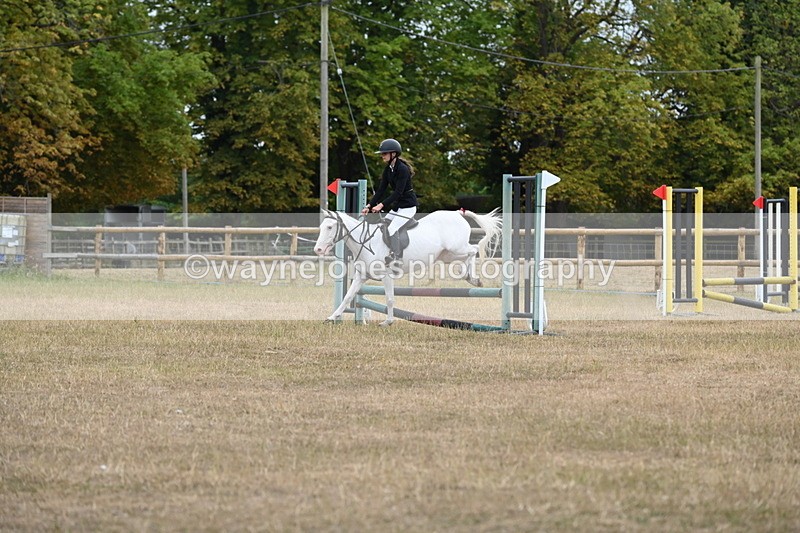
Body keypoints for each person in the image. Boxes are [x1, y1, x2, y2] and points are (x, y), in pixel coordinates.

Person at [361, 138, 419, 263]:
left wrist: (381, 205)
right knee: (383, 225)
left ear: (393, 154)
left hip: (408, 207)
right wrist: (369, 206)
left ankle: (397, 257)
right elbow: (381, 190)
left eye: (385, 153)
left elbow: (398, 193)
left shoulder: (402, 169)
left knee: (392, 229)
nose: (382, 155)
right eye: (382, 153)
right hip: (398, 207)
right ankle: (385, 252)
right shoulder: (388, 169)